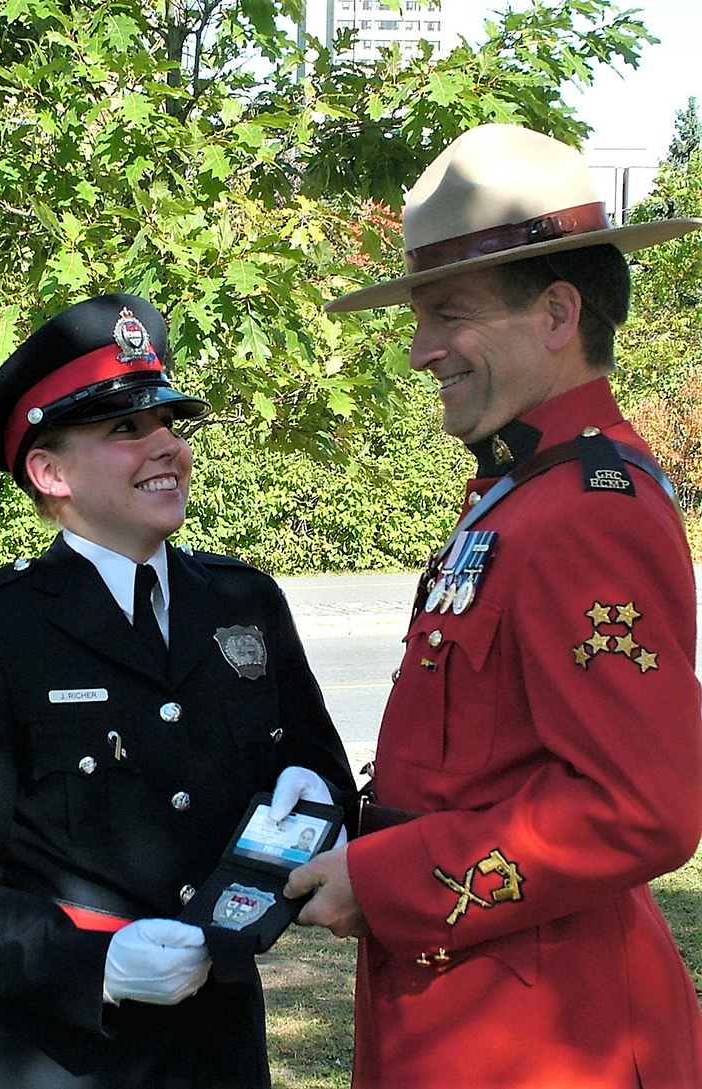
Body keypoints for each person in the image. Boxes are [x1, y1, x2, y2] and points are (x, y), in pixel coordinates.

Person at [285, 123, 702, 1087]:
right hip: (470, 1013)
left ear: (557, 312)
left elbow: (642, 809)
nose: (422, 350)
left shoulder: (584, 512)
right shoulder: (523, 492)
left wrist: (381, 880)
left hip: (540, 1039)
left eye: (450, 315)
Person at [0, 293, 356, 1088]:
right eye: (124, 429)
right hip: (44, 1049)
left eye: (170, 421)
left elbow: (318, 772)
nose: (166, 443)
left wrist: (318, 808)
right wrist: (91, 962)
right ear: (49, 470)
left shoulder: (242, 603)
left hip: (212, 1045)